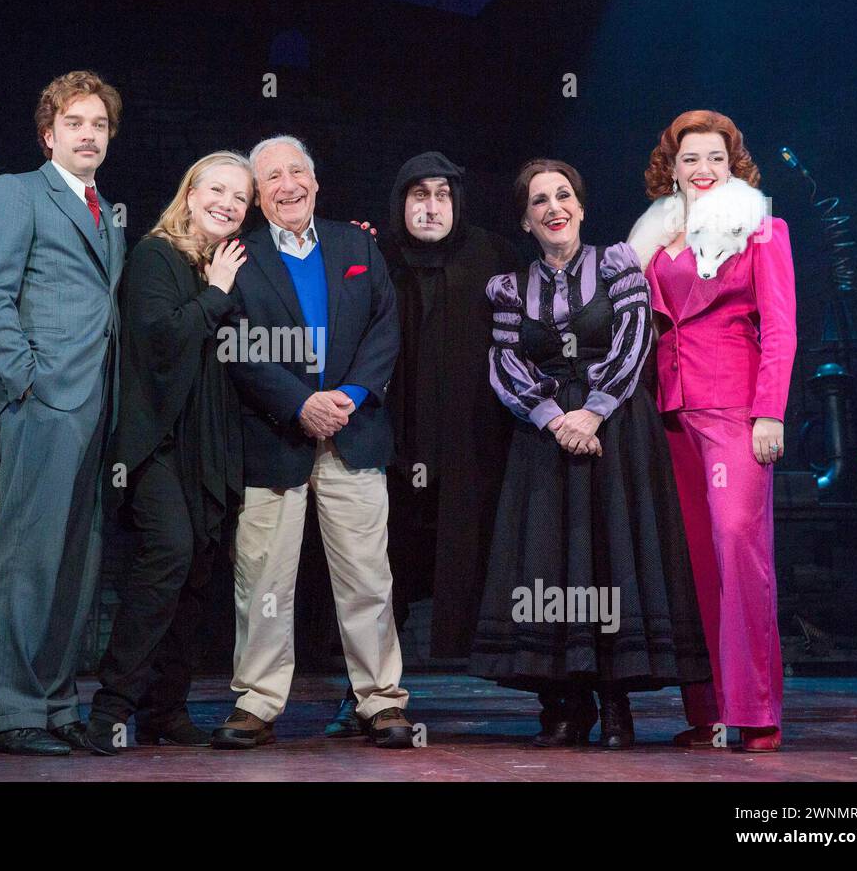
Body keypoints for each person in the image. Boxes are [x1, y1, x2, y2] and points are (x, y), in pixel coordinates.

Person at [470, 158, 712, 749]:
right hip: (543, 435)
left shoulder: (617, 264)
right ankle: (564, 705)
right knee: (550, 564)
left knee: (613, 556)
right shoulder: (510, 287)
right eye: (539, 201)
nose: (554, 208)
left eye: (563, 197)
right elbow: (505, 364)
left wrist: (593, 411)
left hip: (615, 430)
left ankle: (616, 703)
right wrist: (555, 418)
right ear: (526, 221)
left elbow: (635, 341)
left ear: (580, 206)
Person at [211, 134, 412, 750]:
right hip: (275, 437)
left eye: (297, 172)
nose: (288, 185)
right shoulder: (237, 255)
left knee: (367, 578)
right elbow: (236, 346)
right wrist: (299, 403)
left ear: (316, 182)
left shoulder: (357, 245)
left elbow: (385, 324)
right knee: (264, 579)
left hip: (354, 431)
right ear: (257, 194)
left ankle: (380, 700)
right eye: (271, 177)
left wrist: (348, 396)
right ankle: (257, 700)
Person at [325, 152, 518, 736]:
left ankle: (553, 694)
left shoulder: (495, 257)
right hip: (390, 444)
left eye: (442, 195)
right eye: (418, 195)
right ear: (399, 203)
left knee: (497, 561)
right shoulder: (374, 254)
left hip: (472, 450)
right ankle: (366, 693)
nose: (431, 207)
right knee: (379, 573)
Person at [627, 110, 797, 753]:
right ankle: (709, 709)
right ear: (671, 168)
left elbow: (780, 328)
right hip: (669, 408)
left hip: (735, 408)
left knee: (737, 549)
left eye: (715, 159)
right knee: (693, 563)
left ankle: (754, 710)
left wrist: (771, 412)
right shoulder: (651, 240)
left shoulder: (760, 229)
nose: (703, 170)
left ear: (734, 167)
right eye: (690, 158)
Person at [0, 70, 125, 756]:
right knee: (27, 556)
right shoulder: (18, 192)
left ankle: (56, 702)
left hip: (94, 404)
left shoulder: (103, 208)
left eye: (99, 125)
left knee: (75, 560)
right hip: (43, 402)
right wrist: (23, 382)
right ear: (48, 133)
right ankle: (9, 712)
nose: (87, 134)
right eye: (75, 124)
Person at [84, 152, 252, 754]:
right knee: (169, 555)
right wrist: (215, 296)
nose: (227, 203)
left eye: (240, 197)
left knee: (199, 568)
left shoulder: (231, 262)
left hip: (209, 445)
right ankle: (111, 708)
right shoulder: (157, 255)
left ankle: (164, 707)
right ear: (190, 191)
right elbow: (159, 339)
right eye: (217, 189)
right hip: (155, 441)